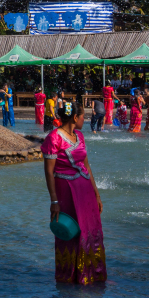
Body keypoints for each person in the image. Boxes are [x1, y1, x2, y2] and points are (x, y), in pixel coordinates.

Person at [41, 100, 106, 284]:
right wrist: (54, 201)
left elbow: (86, 166)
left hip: (85, 192)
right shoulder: (54, 138)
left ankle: (93, 273)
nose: (85, 119)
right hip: (66, 192)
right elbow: (49, 171)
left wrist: (97, 193)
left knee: (91, 232)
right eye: (83, 116)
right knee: (70, 233)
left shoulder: (80, 136)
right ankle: (70, 275)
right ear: (75, 117)